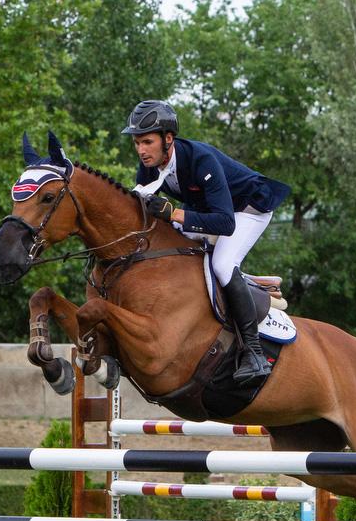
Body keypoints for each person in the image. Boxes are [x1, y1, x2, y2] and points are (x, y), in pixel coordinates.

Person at [122, 100, 290, 384]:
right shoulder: (149, 167)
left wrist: (174, 213)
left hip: (248, 210)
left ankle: (254, 353)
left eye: (147, 142)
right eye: (137, 142)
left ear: (168, 139)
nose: (141, 150)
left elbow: (226, 223)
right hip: (212, 212)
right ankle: (255, 284)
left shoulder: (200, 160)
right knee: (178, 248)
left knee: (223, 264)